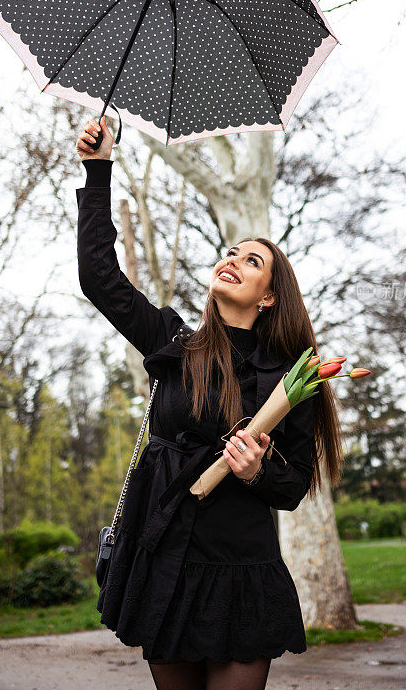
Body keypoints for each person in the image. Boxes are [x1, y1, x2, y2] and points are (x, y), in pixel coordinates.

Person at [75, 115, 344, 690]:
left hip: (239, 571)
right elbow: (100, 277)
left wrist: (257, 470)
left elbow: (293, 486)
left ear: (269, 295)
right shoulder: (172, 341)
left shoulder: (289, 378)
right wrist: (99, 172)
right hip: (165, 558)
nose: (233, 259)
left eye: (252, 261)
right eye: (231, 251)